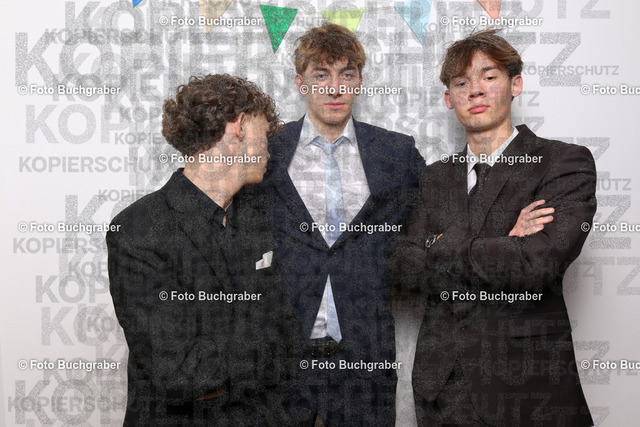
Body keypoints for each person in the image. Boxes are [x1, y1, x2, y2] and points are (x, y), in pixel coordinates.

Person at [389, 29, 596, 426]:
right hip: (442, 387)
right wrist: (503, 244)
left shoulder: (562, 162)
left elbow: (536, 264)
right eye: (461, 83)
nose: (475, 91)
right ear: (449, 99)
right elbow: (400, 267)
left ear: (516, 84)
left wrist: (438, 245)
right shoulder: (433, 177)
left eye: (489, 76)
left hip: (528, 386)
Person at [251, 23, 426, 426]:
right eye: (321, 75)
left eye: (346, 74)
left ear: (359, 82)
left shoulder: (395, 152)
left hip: (366, 352)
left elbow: (437, 210)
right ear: (300, 83)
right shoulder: (267, 151)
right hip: (280, 352)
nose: (335, 88)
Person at [106, 74, 299, 426]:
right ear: (239, 126)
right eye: (264, 134)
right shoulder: (138, 230)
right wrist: (265, 339)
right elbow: (179, 373)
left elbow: (289, 336)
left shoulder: (259, 221)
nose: (269, 149)